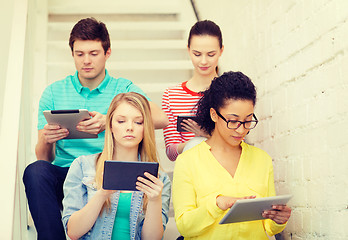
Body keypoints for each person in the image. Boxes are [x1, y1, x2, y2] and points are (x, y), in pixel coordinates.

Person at [23, 17, 168, 240]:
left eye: (94, 53)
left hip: (105, 169)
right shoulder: (53, 92)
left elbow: (161, 118)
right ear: (72, 54)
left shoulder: (122, 88)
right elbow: (44, 158)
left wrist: (108, 120)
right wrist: (47, 139)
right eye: (79, 54)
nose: (86, 61)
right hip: (67, 172)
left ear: (107, 52)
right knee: (35, 171)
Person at [172, 71, 291, 239]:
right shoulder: (188, 161)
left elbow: (268, 227)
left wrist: (278, 220)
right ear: (214, 115)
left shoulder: (262, 159)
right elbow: (185, 226)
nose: (241, 129)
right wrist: (216, 204)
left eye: (248, 120)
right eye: (233, 121)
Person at [62, 92, 171, 240]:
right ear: (110, 126)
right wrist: (102, 194)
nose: (130, 128)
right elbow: (73, 232)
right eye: (121, 121)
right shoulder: (82, 166)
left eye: (138, 122)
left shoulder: (160, 179)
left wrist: (154, 201)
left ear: (146, 128)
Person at [162, 20, 224, 161]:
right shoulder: (172, 95)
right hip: (189, 170)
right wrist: (195, 142)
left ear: (221, 51)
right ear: (188, 50)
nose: (203, 61)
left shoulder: (229, 92)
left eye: (211, 54)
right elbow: (171, 152)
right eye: (197, 54)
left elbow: (239, 143)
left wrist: (207, 134)